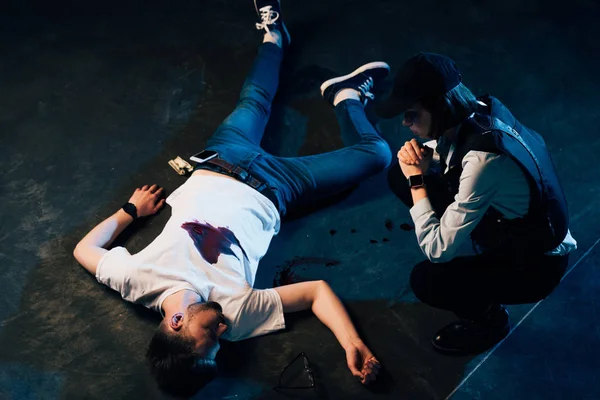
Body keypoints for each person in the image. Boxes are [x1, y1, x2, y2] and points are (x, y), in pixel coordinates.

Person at [73, 0, 392, 396]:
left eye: (211, 334)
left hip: (224, 161)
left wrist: (131, 211)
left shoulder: (135, 281)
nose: (222, 330)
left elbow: (84, 249)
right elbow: (315, 292)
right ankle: (346, 97)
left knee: (255, 98)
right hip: (278, 188)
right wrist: (352, 343)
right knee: (377, 156)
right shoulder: (237, 316)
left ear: (175, 324)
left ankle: (274, 33)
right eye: (221, 341)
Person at [378, 52, 577, 355]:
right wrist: (421, 162)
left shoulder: (485, 160)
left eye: (412, 113)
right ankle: (476, 242)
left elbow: (436, 250)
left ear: (438, 107)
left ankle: (490, 320)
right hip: (515, 222)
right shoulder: (481, 107)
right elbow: (449, 152)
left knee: (429, 280)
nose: (406, 123)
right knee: (399, 174)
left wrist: (417, 180)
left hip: (536, 264)